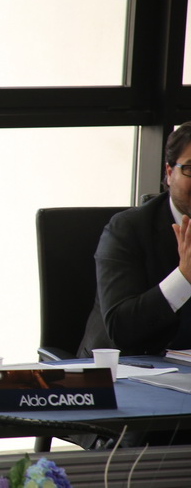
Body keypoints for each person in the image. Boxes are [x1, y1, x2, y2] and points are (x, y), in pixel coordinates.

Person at [78, 121, 191, 359]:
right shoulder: (127, 229)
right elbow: (121, 330)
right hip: (125, 367)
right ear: (169, 172)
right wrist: (184, 277)